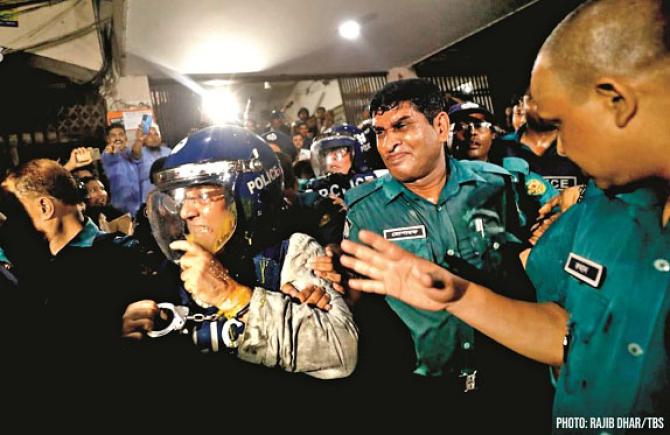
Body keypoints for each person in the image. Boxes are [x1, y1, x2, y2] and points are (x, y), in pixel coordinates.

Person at [339, 0, 670, 431]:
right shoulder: (593, 212)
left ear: (616, 101)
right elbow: (564, 334)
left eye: (558, 125)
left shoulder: (502, 184)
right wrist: (458, 295)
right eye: (381, 133)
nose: (562, 150)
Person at [339, 78, 552, 429]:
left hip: (511, 375)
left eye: (402, 126)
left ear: (440, 126)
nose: (390, 143)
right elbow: (357, 300)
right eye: (380, 133)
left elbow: (528, 259)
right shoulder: (364, 211)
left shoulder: (496, 186)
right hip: (426, 393)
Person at [122, 125, 358, 379]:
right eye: (182, 197)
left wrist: (231, 296)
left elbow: (341, 352)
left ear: (249, 193)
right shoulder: (170, 270)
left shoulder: (291, 253)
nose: (184, 212)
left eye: (203, 195)